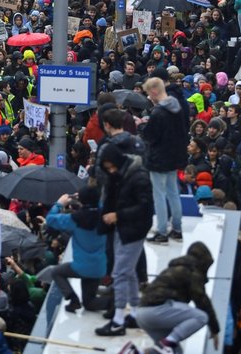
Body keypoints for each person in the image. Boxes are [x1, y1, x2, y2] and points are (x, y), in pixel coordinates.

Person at [94, 128, 154, 336]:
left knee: (120, 273)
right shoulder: (119, 174)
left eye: (110, 168)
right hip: (124, 228)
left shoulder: (139, 177)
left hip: (134, 229)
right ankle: (134, 314)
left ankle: (119, 319)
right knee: (127, 273)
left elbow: (145, 207)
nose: (109, 171)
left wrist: (118, 215)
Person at [134, 242, 221, 354]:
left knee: (176, 351)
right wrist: (215, 329)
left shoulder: (173, 269)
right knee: (202, 317)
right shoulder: (192, 271)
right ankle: (166, 343)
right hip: (157, 310)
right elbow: (202, 301)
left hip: (142, 314)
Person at [41, 186, 106, 314]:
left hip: (80, 267)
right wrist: (89, 199)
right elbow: (98, 205)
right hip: (99, 267)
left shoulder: (73, 220)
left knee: (56, 272)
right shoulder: (105, 216)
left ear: (81, 201)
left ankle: (73, 299)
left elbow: (50, 219)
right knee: (89, 303)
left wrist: (59, 204)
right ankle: (113, 303)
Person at [140, 77, 186, 243]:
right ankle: (177, 228)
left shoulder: (158, 112)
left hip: (159, 158)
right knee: (173, 192)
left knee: (158, 195)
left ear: (153, 91)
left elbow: (150, 136)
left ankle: (161, 231)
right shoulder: (177, 107)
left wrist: (142, 125)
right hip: (173, 156)